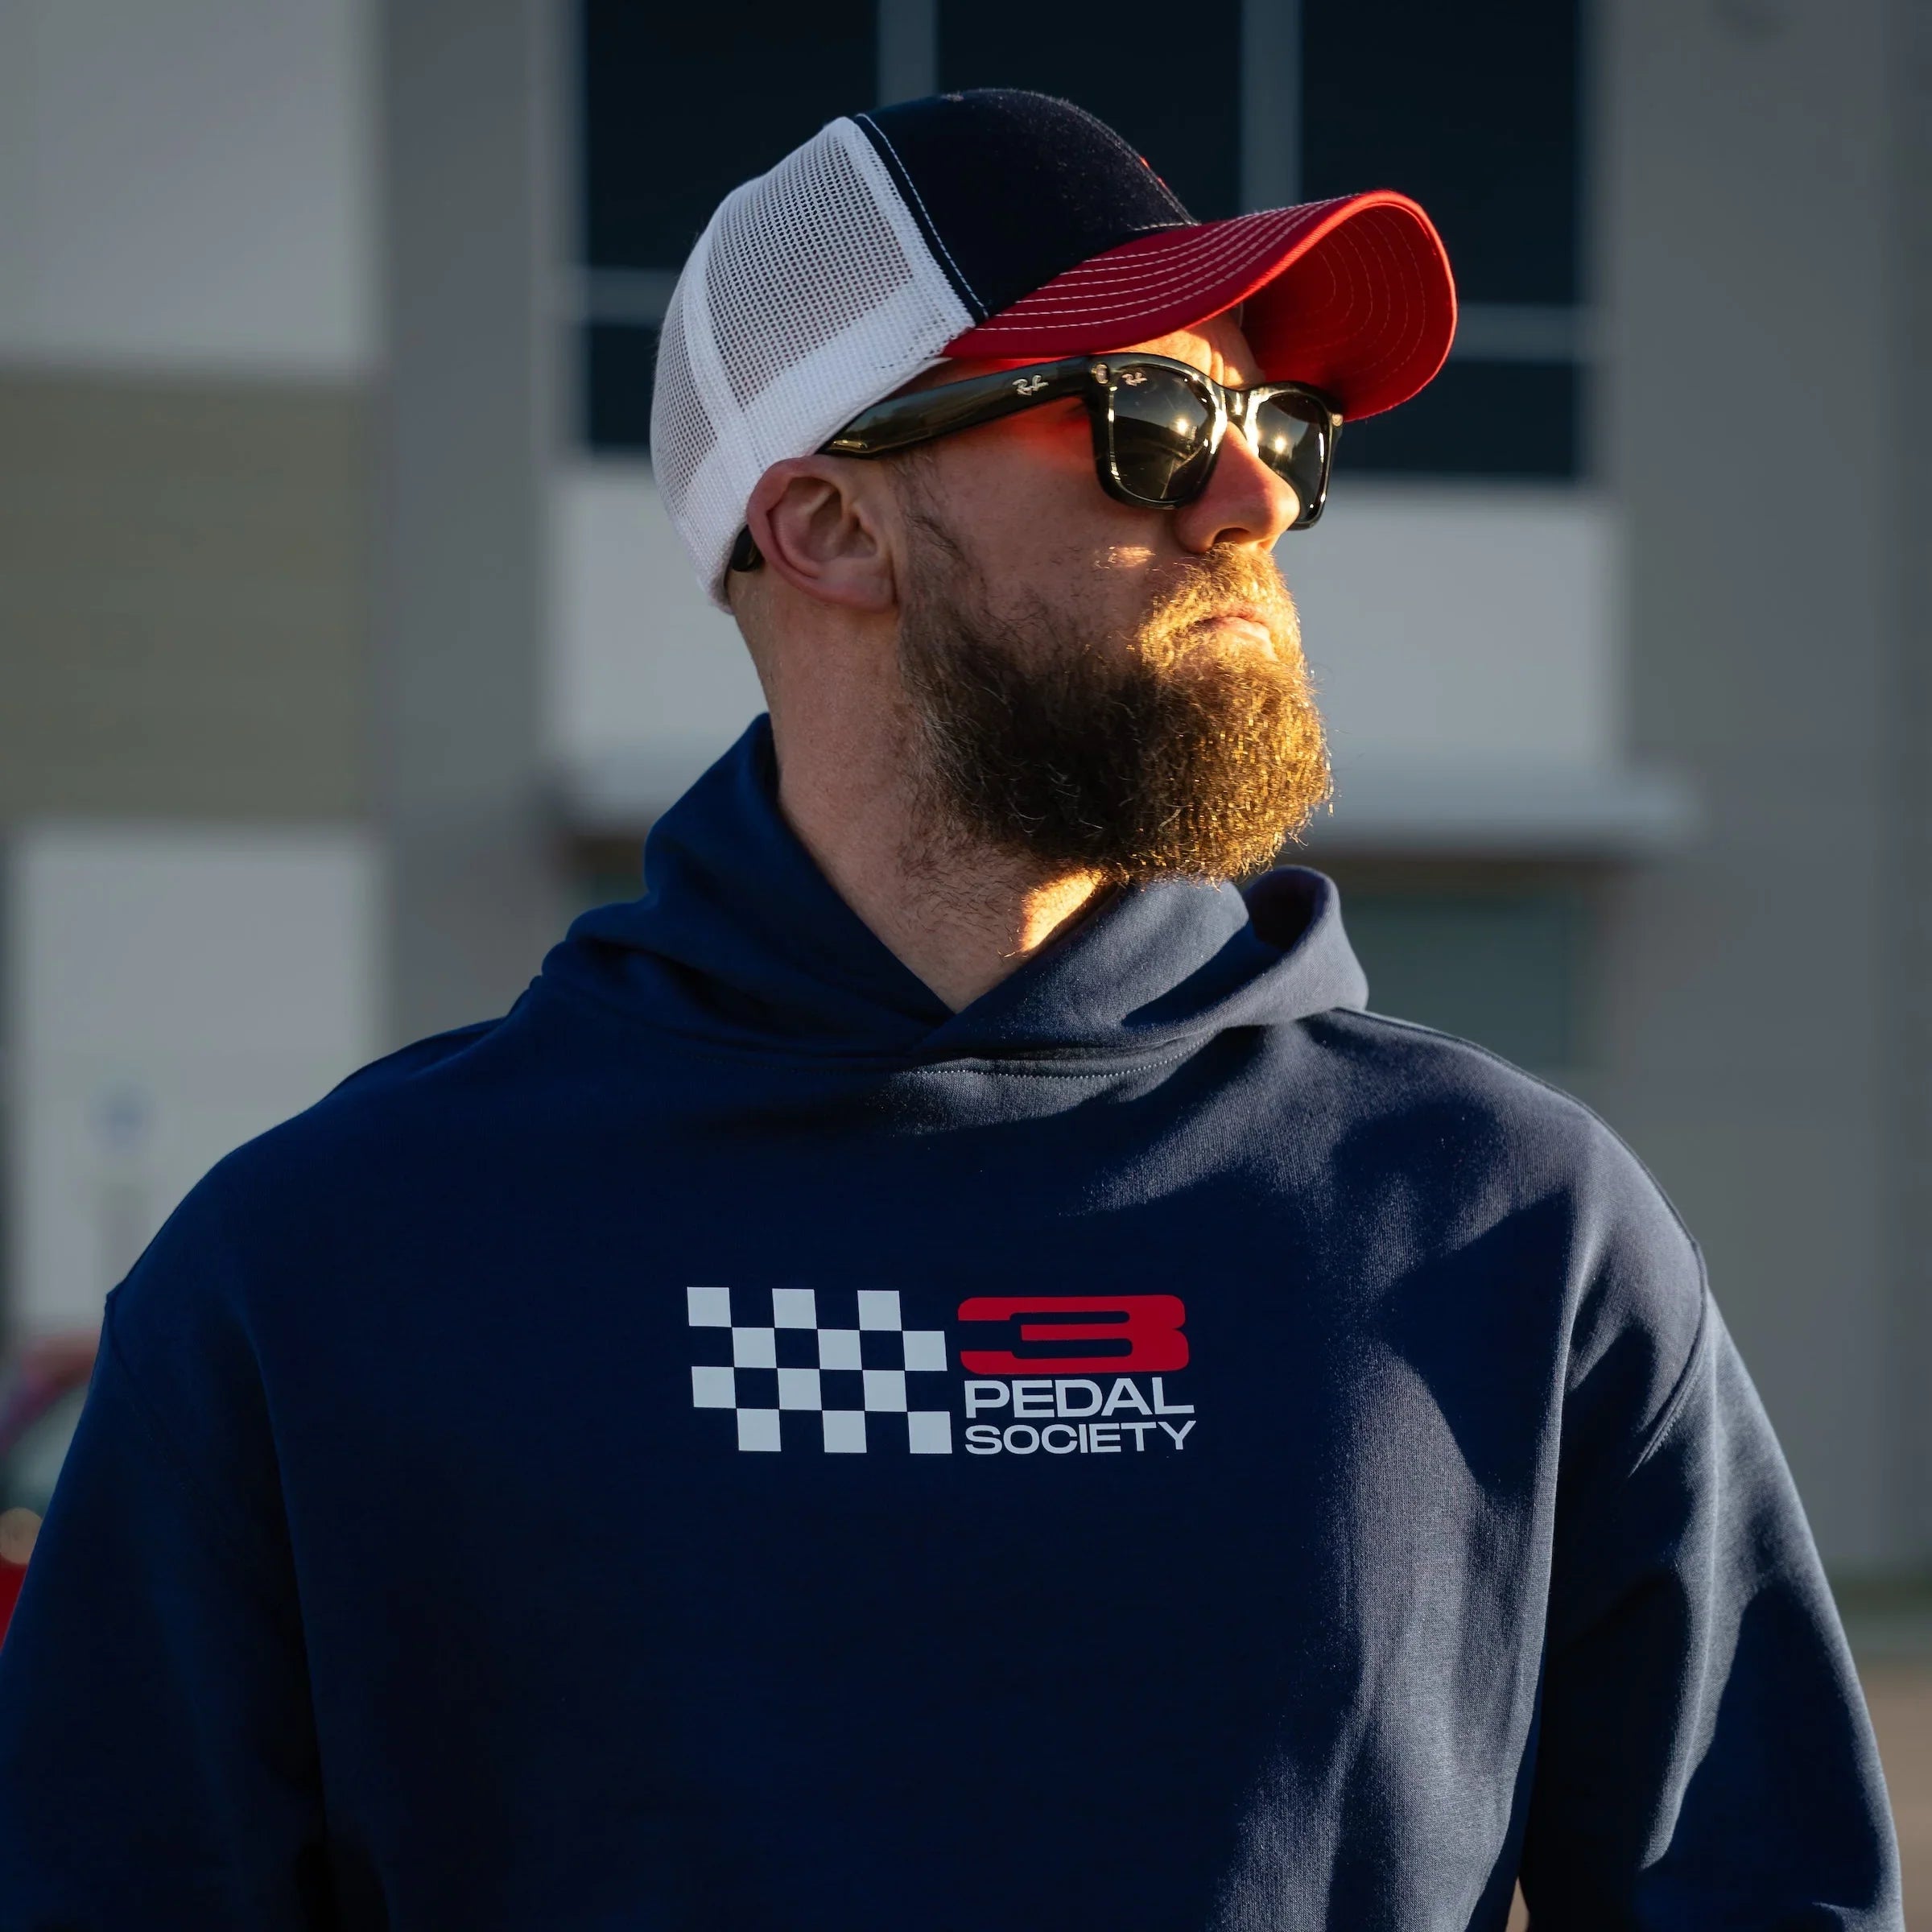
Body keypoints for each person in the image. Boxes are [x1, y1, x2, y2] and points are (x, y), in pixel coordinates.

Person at [0, 88, 1900, 1930]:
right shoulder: (330, 1272)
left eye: (1280, 424)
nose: (1255, 496)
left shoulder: (1505, 1227)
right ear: (830, 527)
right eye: (1148, 418)